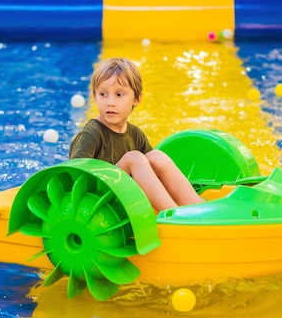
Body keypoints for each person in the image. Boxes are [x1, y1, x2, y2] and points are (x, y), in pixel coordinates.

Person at [69, 57, 204, 211]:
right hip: (98, 200)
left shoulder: (135, 134)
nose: (110, 102)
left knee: (156, 156)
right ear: (94, 97)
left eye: (119, 95)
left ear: (137, 98)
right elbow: (74, 176)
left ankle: (197, 205)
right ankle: (173, 214)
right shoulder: (92, 133)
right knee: (133, 158)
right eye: (103, 94)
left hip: (127, 197)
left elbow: (153, 176)